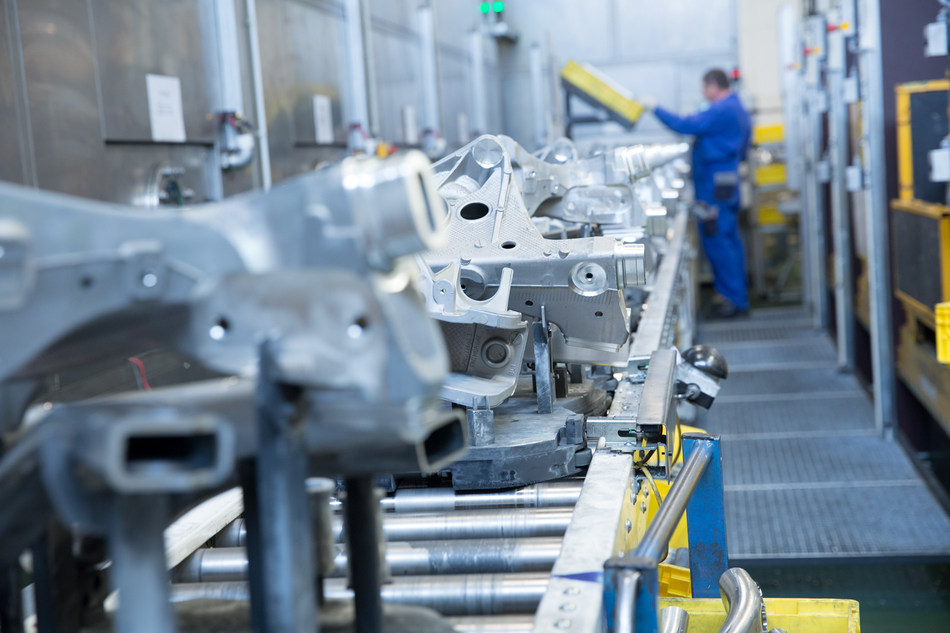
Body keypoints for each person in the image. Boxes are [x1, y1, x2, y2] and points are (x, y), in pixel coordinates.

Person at [641, 69, 751, 318]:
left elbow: (685, 125)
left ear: (713, 87)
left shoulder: (722, 109)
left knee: (719, 239)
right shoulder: (738, 109)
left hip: (714, 186)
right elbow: (744, 148)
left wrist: (656, 108)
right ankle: (736, 297)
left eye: (704, 89)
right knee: (729, 239)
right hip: (726, 181)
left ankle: (733, 301)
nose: (704, 94)